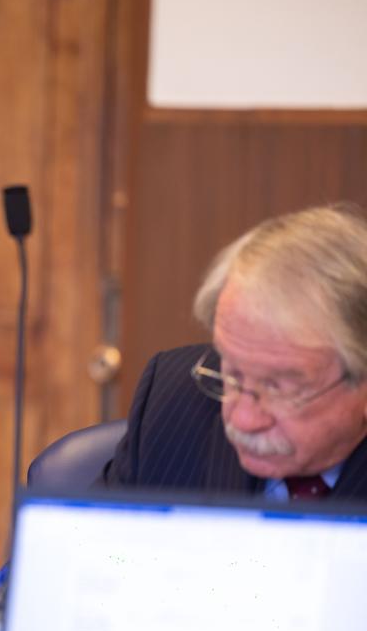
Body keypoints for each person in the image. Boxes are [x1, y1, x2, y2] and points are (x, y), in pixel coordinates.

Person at [103, 202, 367, 501]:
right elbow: (98, 543)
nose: (242, 420)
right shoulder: (173, 400)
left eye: (279, 388)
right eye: (233, 375)